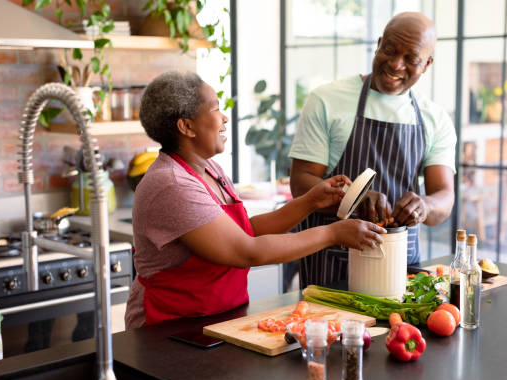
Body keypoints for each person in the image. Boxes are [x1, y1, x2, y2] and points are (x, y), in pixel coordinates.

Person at [125, 71, 385, 329]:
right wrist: (333, 233)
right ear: (186, 126)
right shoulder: (173, 184)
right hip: (170, 327)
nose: (224, 117)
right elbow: (246, 251)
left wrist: (309, 202)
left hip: (218, 317)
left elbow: (244, 232)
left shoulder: (210, 169)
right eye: (215, 109)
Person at [288, 12, 456, 288]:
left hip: (402, 265)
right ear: (378, 44)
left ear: (427, 64)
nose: (395, 64)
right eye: (389, 49)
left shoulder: (434, 118)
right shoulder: (327, 100)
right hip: (331, 266)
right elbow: (301, 182)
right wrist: (353, 197)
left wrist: (424, 206)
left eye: (410, 59)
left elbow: (444, 198)